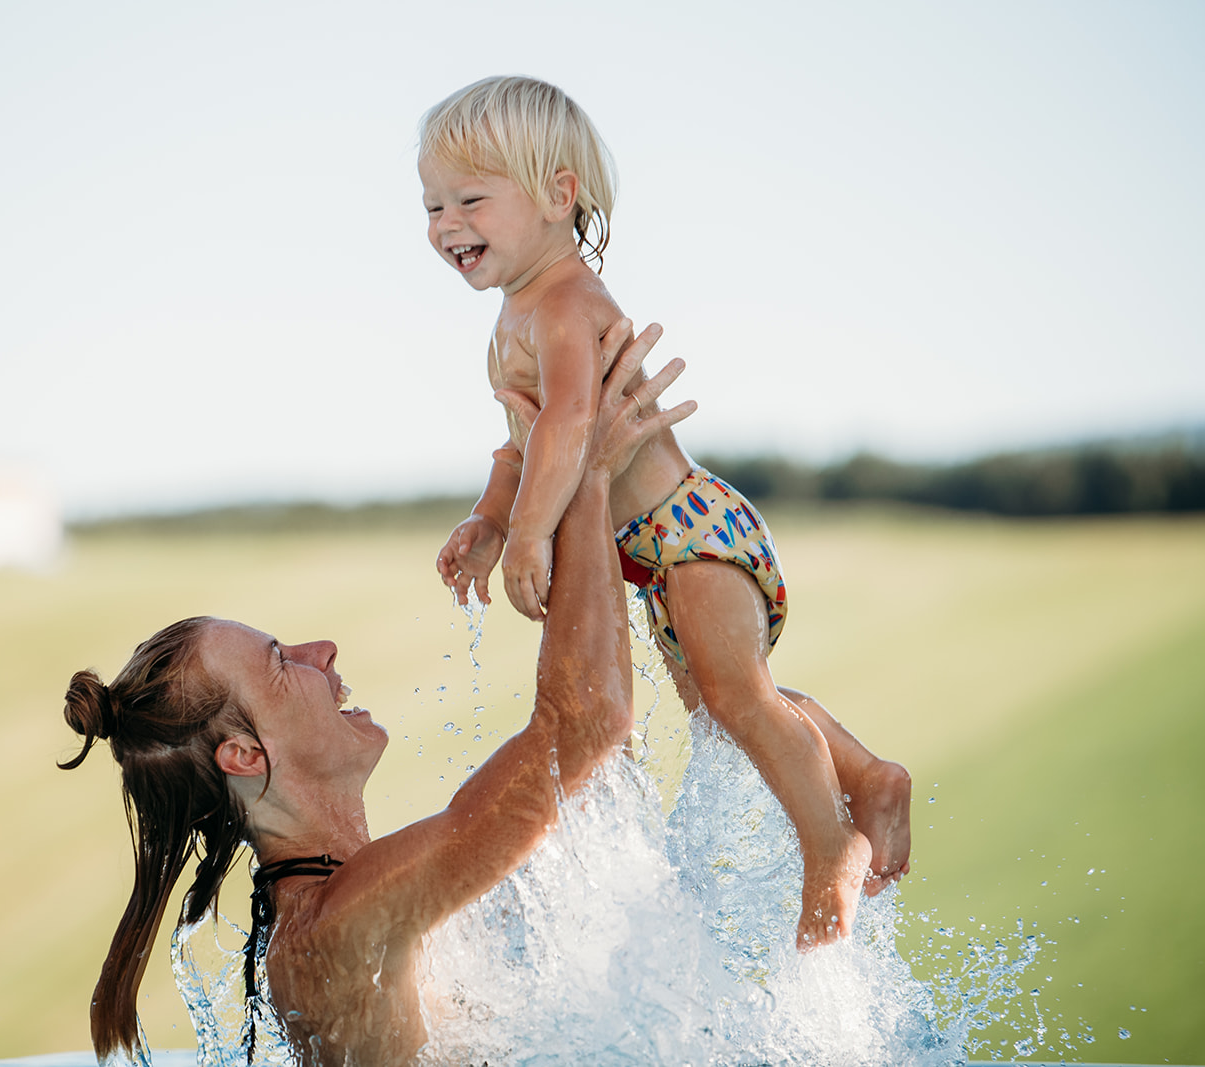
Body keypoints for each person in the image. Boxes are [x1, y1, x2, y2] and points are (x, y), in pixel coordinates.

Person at [59, 324, 691, 1066]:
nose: (321, 651)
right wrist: (584, 473)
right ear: (243, 752)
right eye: (279, 661)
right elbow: (586, 725)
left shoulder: (349, 905)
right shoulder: (337, 922)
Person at [422, 75, 911, 950]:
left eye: (469, 200)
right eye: (432, 205)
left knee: (738, 698)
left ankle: (830, 844)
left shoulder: (567, 300)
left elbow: (572, 424)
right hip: (655, 551)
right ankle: (868, 774)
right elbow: (522, 444)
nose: (446, 224)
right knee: (723, 708)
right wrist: (492, 522)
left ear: (557, 195)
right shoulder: (512, 319)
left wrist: (533, 531)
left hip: (692, 532)